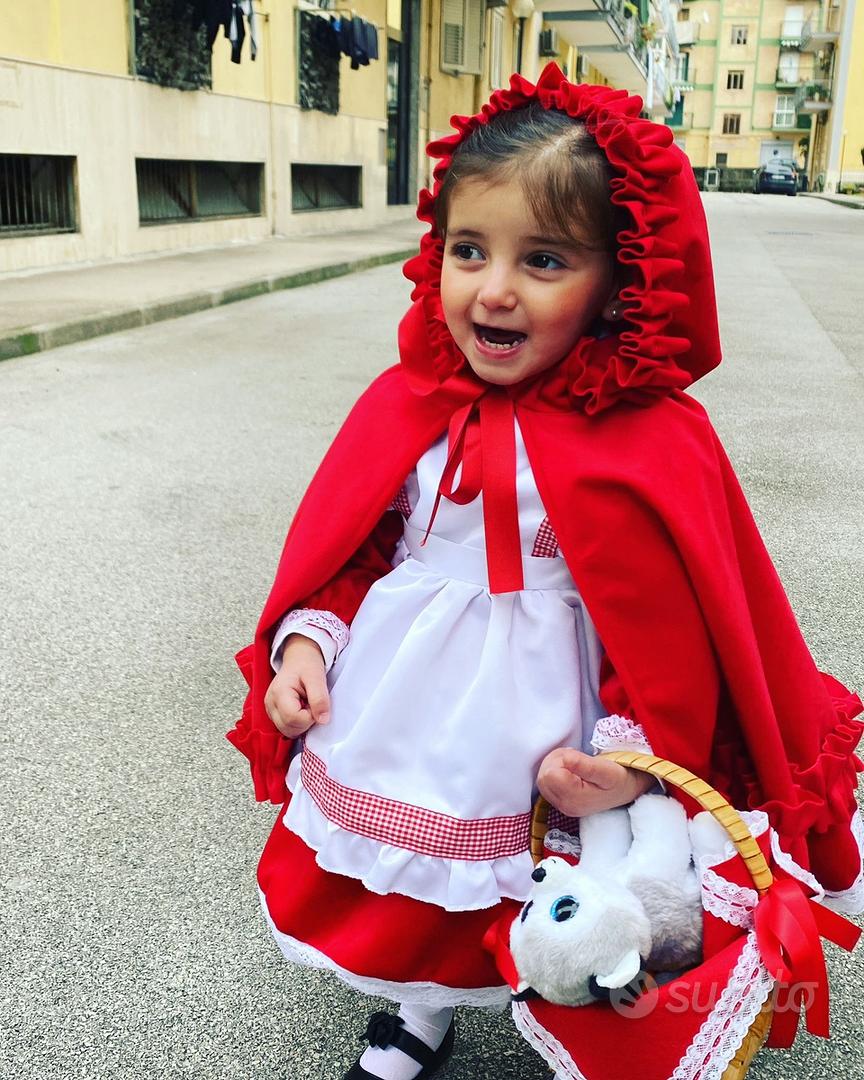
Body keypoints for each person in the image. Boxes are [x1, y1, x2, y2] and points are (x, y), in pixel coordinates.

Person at [228, 65, 863, 1080]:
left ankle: (575, 1016)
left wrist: (636, 756)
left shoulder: (649, 438)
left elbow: (667, 625)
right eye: (469, 250)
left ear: (622, 280)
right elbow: (357, 552)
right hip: (408, 705)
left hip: (562, 717)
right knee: (413, 882)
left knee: (549, 874)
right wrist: (307, 640)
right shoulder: (410, 404)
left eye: (547, 259)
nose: (494, 289)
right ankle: (418, 1012)